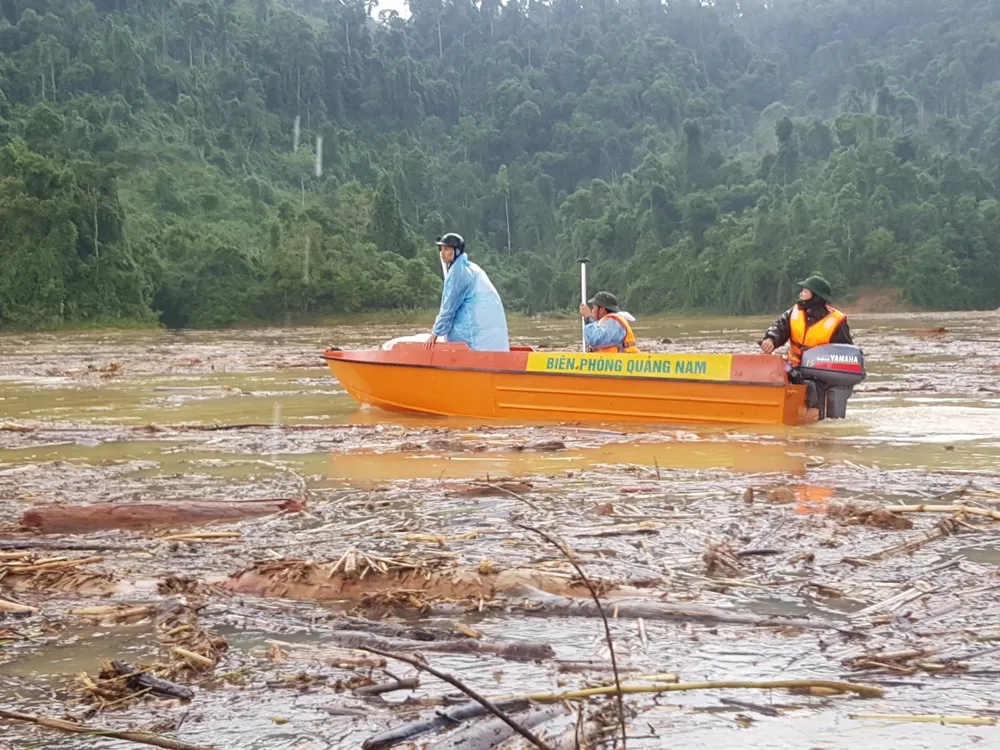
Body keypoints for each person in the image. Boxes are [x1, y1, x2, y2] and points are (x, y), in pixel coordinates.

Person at [425, 232, 510, 352]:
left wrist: (435, 333)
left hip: (474, 339)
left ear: (457, 251)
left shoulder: (459, 273)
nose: (442, 253)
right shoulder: (469, 267)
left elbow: (448, 308)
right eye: (442, 249)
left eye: (447, 249)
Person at [760, 275, 852, 366]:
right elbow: (779, 327)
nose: (800, 294)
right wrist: (770, 339)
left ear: (816, 297)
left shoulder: (837, 321)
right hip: (792, 368)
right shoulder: (794, 312)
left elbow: (846, 354)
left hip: (820, 372)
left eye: (805, 291)